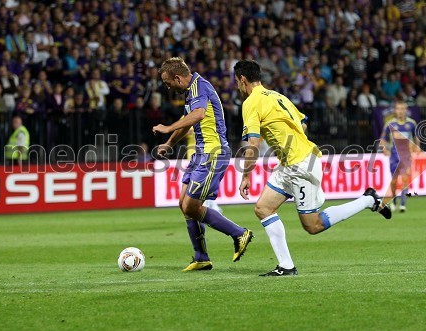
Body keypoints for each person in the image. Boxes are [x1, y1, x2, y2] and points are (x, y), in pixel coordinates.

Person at [234, 60, 391, 277]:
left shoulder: (251, 102)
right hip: (292, 163)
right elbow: (303, 124)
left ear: (242, 80)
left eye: (237, 82)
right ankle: (286, 266)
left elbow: (252, 145)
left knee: (313, 225)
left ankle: (368, 201)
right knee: (263, 208)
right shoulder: (277, 96)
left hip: (300, 165)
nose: (237, 87)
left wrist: (246, 176)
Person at [153, 57, 253, 271]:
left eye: (167, 82)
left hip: (213, 152)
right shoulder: (191, 91)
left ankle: (239, 233)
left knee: (192, 206)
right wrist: (170, 143)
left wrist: (168, 128)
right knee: (183, 204)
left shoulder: (200, 86)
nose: (167, 86)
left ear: (178, 78)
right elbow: (188, 119)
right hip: (201, 153)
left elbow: (198, 115)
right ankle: (201, 257)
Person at [380, 101, 420, 212]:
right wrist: (385, 150)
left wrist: (417, 148)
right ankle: (393, 200)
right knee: (394, 181)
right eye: (398, 108)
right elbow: (382, 139)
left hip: (406, 156)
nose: (400, 111)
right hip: (394, 156)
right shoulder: (390, 123)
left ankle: (403, 205)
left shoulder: (411, 123)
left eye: (402, 109)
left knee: (405, 180)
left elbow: (416, 137)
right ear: (395, 110)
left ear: (406, 110)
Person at [185, 126, 223, 213]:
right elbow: (181, 131)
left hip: (206, 153)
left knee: (206, 181)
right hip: (193, 154)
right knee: (196, 183)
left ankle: (210, 204)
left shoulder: (207, 116)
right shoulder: (185, 117)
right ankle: (208, 205)